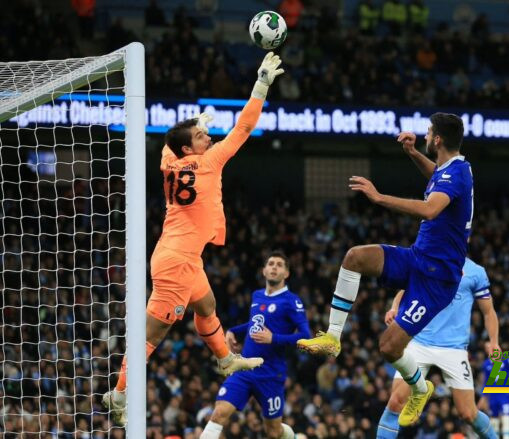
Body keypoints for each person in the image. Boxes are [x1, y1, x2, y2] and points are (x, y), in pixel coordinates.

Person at [103, 52, 285, 426]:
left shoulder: (170, 161)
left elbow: (171, 143)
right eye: (202, 135)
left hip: (180, 253)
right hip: (174, 262)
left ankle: (223, 358)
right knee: (150, 337)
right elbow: (243, 128)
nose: (208, 135)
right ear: (191, 149)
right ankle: (119, 393)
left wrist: (195, 122)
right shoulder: (211, 161)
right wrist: (261, 84)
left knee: (207, 304)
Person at [298, 113, 474, 427]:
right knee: (354, 257)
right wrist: (412, 154)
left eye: (427, 133)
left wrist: (379, 198)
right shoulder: (452, 169)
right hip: (418, 259)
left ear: (438, 140)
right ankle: (333, 337)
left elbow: (430, 209)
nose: (424, 136)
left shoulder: (457, 174)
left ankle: (420, 389)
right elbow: (435, 175)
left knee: (388, 347)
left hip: (437, 280)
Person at [377, 257, 499, 438]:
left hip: (454, 349)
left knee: (468, 413)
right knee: (396, 401)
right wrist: (395, 307)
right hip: (419, 342)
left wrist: (494, 342)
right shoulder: (430, 258)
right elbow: (409, 287)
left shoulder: (476, 272)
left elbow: (488, 311)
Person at [200, 251, 311, 439]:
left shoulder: (292, 301)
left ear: (287, 273)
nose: (274, 267)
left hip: (270, 374)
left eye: (279, 265)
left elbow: (306, 336)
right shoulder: (257, 295)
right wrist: (234, 330)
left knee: (274, 432)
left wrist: (273, 338)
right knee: (219, 413)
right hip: (244, 370)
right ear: (264, 271)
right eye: (271, 264)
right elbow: (254, 323)